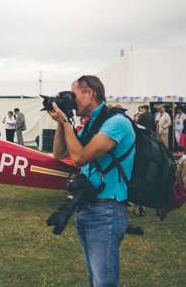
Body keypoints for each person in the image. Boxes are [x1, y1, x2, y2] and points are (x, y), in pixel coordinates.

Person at [49, 75, 135, 287]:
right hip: (87, 207)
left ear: (91, 93)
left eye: (74, 95)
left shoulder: (116, 123)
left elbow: (79, 157)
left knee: (103, 281)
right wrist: (63, 122)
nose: (71, 100)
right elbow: (59, 154)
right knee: (94, 278)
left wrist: (65, 122)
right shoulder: (91, 124)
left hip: (106, 209)